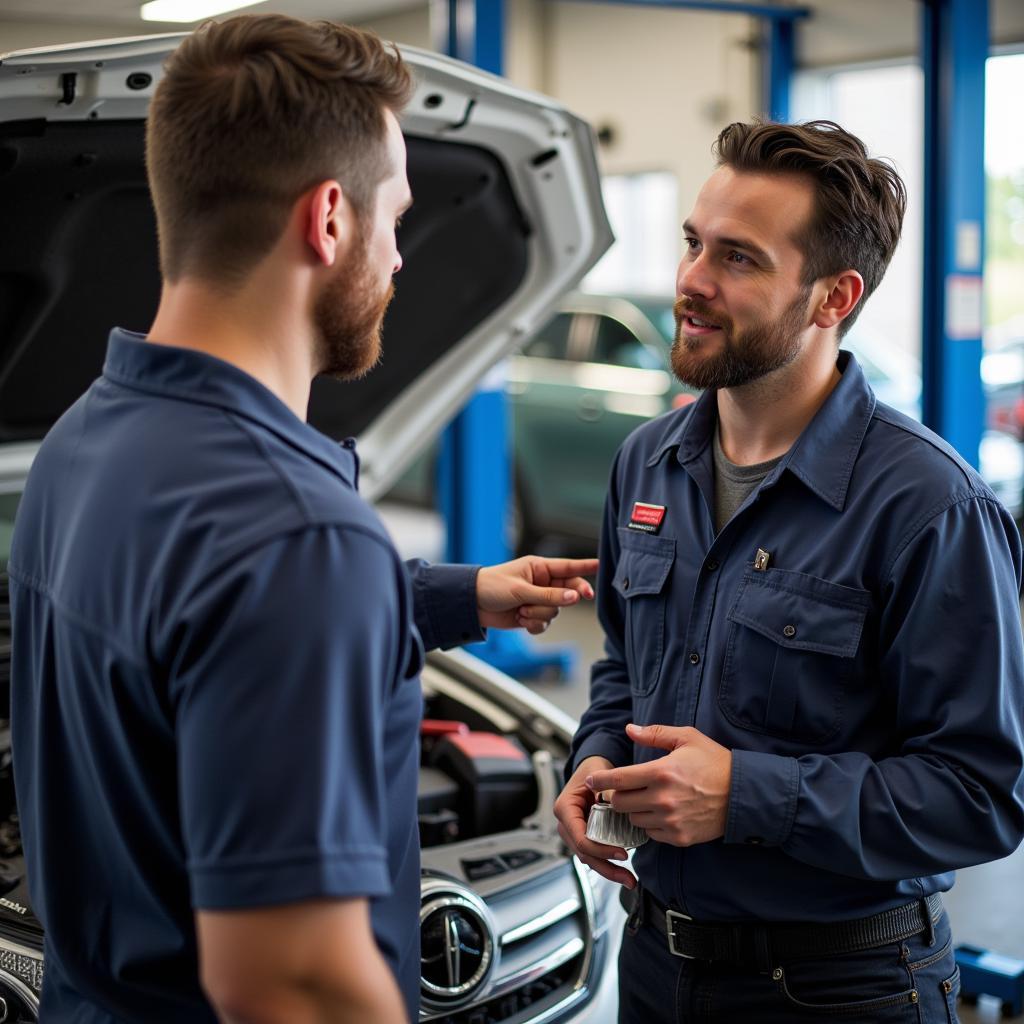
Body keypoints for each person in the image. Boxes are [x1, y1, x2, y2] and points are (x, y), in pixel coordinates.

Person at [7, 15, 597, 1024]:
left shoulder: (83, 441)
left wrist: (462, 594)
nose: (403, 259)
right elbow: (292, 983)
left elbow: (193, 613)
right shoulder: (297, 537)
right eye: (396, 218)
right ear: (329, 219)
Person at [554, 118, 1024, 1023]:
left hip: (839, 989)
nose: (690, 281)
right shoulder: (646, 463)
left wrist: (747, 796)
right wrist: (599, 754)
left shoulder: (930, 507)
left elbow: (979, 797)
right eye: (695, 243)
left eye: (739, 259)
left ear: (830, 297)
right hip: (653, 964)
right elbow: (625, 667)